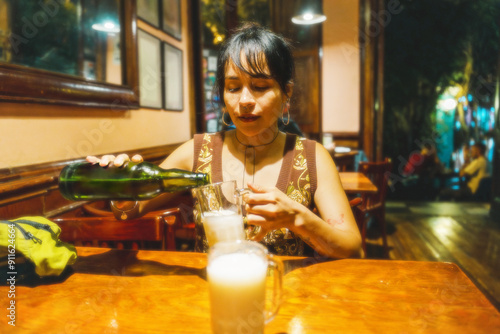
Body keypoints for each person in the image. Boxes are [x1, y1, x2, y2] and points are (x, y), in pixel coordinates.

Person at [87, 23, 361, 258]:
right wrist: (121, 191)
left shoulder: (312, 157)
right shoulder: (197, 151)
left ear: (286, 93)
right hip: (215, 294)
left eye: (260, 87)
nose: (244, 101)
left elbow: (351, 248)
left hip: (289, 299)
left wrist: (297, 218)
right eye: (233, 87)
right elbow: (130, 212)